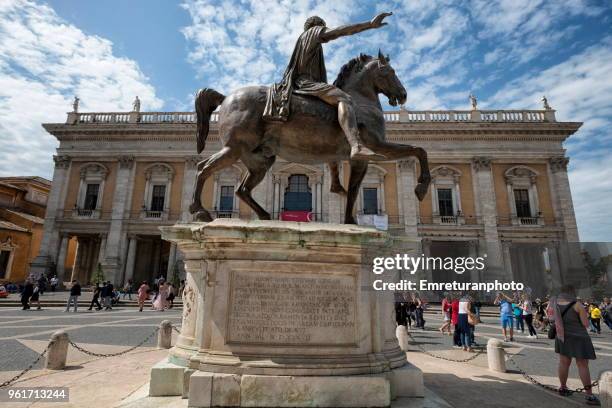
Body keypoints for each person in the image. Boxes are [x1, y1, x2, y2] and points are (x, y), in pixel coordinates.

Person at [263, 12, 394, 161]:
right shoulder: (313, 33)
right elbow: (340, 31)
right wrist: (369, 24)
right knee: (344, 99)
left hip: (298, 81)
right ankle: (356, 145)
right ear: (318, 26)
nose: (325, 31)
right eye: (324, 28)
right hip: (306, 82)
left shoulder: (302, 40)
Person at [549, 285, 599, 405]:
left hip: (562, 337)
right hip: (579, 338)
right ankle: (589, 395)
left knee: (563, 363)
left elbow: (550, 318)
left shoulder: (553, 303)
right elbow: (586, 324)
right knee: (582, 365)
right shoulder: (577, 305)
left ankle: (563, 387)